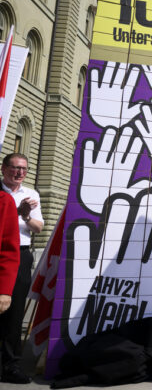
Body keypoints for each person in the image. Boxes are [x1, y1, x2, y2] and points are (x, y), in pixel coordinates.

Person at [0, 154, 43, 384]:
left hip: (19, 254)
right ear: (4, 168)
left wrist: (25, 215)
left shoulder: (31, 194)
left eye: (24, 169)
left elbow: (38, 227)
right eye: (15, 168)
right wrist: (13, 211)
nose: (19, 173)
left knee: (15, 313)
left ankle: (10, 364)